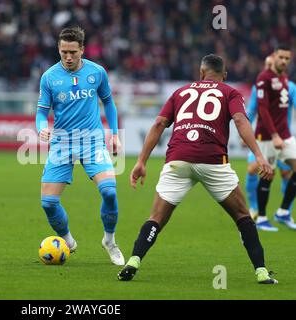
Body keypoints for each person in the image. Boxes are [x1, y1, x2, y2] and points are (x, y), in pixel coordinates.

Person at [117, 54, 277, 284]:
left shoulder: (180, 92)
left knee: (156, 218)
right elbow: (241, 121)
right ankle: (261, 272)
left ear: (201, 72)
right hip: (213, 161)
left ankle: (133, 260)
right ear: (224, 76)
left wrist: (141, 161)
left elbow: (159, 124)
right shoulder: (229, 92)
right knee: (243, 216)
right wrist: (260, 156)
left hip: (178, 159)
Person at [36, 27, 124, 265]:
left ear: (82, 50)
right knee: (48, 203)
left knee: (109, 190)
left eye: (72, 52)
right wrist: (41, 126)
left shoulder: (97, 72)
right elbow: (41, 112)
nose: (68, 57)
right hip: (62, 143)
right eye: (63, 51)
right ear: (58, 49)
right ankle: (67, 240)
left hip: (92, 141)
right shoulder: (49, 77)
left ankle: (110, 240)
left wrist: (114, 134)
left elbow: (109, 103)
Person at [245, 55, 296, 231]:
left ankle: (285, 212)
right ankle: (255, 210)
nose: (268, 67)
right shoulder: (259, 85)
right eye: (266, 64)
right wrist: (246, 133)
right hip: (264, 137)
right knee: (256, 170)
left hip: (284, 136)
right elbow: (253, 109)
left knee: (285, 173)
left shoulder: (289, 86)